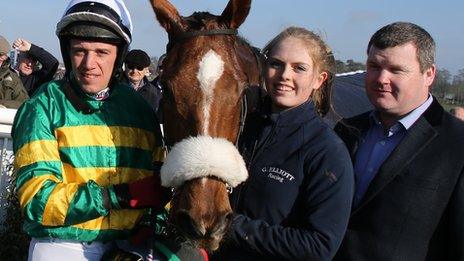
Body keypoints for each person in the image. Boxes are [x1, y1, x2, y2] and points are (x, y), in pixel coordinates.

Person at [12, 0, 166, 260]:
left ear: (118, 55)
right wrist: (119, 196)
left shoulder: (140, 110)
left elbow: (161, 186)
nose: (88, 63)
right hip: (61, 244)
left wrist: (153, 229)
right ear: (67, 53)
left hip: (128, 248)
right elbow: (38, 200)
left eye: (101, 52)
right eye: (79, 51)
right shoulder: (42, 107)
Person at [213, 27, 354, 261]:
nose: (285, 75)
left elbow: (319, 246)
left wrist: (231, 226)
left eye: (299, 68)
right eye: (276, 64)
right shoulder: (241, 128)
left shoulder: (326, 151)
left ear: (319, 79)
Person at [333, 22, 464, 261]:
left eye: (396, 70)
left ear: (429, 74)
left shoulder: (457, 145)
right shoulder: (346, 130)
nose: (381, 78)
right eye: (374, 66)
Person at [123, 49, 163, 120]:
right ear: (125, 66)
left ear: (146, 69)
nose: (134, 71)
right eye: (131, 66)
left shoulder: (155, 94)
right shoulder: (113, 89)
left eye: (139, 68)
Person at [0, 35, 28, 108]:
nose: (2, 58)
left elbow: (25, 104)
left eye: (4, 55)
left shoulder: (12, 77)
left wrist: (2, 104)